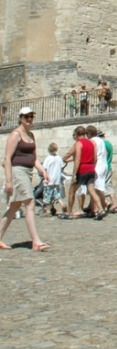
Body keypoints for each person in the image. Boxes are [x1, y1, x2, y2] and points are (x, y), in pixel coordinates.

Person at [0, 107, 50, 251]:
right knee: (30, 202)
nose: (29, 119)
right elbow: (7, 159)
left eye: (31, 116)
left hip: (28, 173)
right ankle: (36, 242)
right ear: (20, 118)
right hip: (17, 172)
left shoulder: (31, 135)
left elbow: (34, 158)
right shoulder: (15, 134)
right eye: (26, 116)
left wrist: (42, 170)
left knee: (14, 207)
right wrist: (8, 181)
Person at [66, 127, 104, 219]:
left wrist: (74, 173)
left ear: (76, 134)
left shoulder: (78, 143)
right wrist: (92, 166)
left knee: (72, 191)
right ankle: (100, 209)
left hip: (82, 170)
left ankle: (69, 212)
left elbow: (78, 158)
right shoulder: (91, 143)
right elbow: (95, 158)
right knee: (92, 191)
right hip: (91, 169)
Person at [41, 142, 65, 216]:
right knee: (57, 195)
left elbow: (44, 168)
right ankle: (62, 204)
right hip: (57, 180)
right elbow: (62, 167)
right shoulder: (59, 158)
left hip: (49, 180)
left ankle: (47, 211)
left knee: (47, 195)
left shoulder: (48, 158)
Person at [88, 126, 108, 211]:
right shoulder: (101, 140)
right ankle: (92, 207)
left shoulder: (92, 141)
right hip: (103, 164)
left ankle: (105, 204)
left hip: (97, 165)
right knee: (96, 187)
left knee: (96, 188)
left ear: (89, 134)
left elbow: (93, 154)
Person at [100, 130, 117, 212]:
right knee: (108, 185)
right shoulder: (109, 143)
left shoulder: (102, 144)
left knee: (100, 186)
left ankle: (107, 204)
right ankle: (112, 203)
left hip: (104, 167)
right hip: (109, 167)